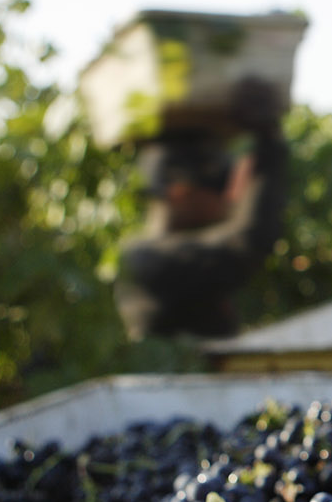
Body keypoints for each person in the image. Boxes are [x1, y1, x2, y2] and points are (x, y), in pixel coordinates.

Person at [114, 75, 292, 340]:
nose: (231, 200)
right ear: (181, 191)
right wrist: (269, 141)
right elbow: (247, 241)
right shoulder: (147, 260)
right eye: (222, 190)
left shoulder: (150, 256)